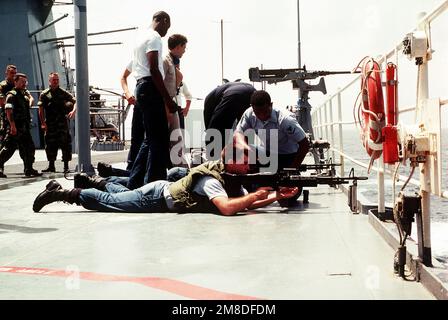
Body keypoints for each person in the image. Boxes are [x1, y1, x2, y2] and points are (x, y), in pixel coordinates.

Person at [32, 144, 299, 215]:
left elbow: (243, 202)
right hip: (157, 197)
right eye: (245, 162)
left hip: (161, 195)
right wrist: (256, 195)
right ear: (232, 162)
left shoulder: (229, 176)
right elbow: (229, 208)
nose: (249, 166)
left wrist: (276, 196)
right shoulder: (212, 179)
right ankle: (62, 192)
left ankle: (96, 182)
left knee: (116, 196)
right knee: (109, 202)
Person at [127, 11, 178, 190]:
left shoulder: (141, 37)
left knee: (150, 139)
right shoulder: (155, 37)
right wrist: (167, 99)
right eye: (167, 26)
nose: (166, 31)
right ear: (163, 20)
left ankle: (135, 181)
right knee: (159, 139)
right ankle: (155, 185)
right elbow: (154, 69)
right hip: (150, 88)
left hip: (141, 87)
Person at [234, 90, 309, 172]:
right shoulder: (249, 114)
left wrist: (293, 169)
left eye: (265, 112)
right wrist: (247, 150)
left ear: (271, 105)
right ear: (252, 107)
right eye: (257, 112)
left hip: (288, 155)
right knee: (233, 148)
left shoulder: (285, 119)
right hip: (267, 152)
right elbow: (238, 135)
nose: (262, 116)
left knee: (288, 183)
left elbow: (304, 144)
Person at [0, 73, 40, 178]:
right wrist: (12, 126)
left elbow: (29, 102)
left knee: (29, 148)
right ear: (15, 81)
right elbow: (8, 111)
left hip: (24, 127)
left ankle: (29, 168)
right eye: (22, 82)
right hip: (15, 126)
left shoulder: (23, 94)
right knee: (8, 149)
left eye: (25, 82)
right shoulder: (11, 95)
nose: (24, 84)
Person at [38, 72, 77, 173]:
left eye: (57, 80)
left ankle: (66, 166)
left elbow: (75, 101)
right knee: (50, 144)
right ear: (49, 81)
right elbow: (41, 109)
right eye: (53, 80)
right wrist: (42, 123)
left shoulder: (63, 93)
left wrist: (73, 111)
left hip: (62, 123)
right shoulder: (45, 94)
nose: (55, 82)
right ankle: (51, 166)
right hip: (50, 123)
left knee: (65, 144)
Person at [203, 82, 255, 149]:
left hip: (234, 94)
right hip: (251, 92)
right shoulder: (213, 100)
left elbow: (214, 127)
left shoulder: (212, 101)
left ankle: (214, 155)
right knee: (245, 128)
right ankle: (246, 151)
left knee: (214, 129)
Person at [163, 34, 188, 167]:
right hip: (165, 104)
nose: (185, 50)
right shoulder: (165, 61)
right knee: (168, 140)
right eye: (184, 47)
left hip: (171, 103)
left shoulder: (173, 62)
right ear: (178, 46)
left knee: (176, 139)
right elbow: (159, 83)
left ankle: (180, 169)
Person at [120, 61, 144, 171]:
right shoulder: (136, 60)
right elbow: (123, 77)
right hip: (141, 102)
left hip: (151, 102)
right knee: (137, 138)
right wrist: (127, 93)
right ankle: (131, 169)